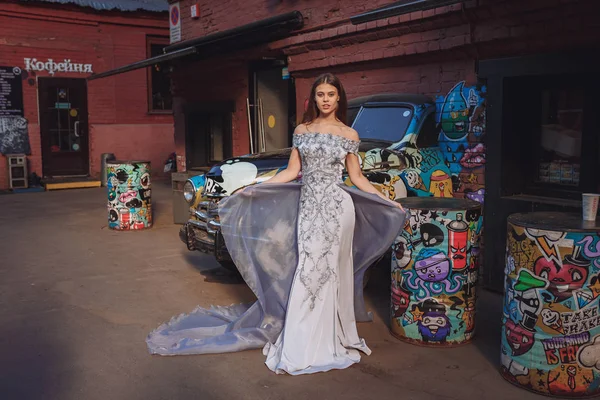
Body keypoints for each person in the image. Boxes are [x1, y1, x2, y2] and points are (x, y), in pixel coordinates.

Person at [146, 73, 407, 375]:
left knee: (330, 269)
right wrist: (254, 188)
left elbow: (357, 178)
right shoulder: (302, 130)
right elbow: (291, 171)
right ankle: (302, 337)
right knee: (307, 266)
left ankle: (331, 335)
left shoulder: (349, 134)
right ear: (314, 98)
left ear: (339, 98)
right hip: (309, 207)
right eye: (320, 94)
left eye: (331, 94)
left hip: (338, 209)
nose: (325, 99)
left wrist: (387, 200)